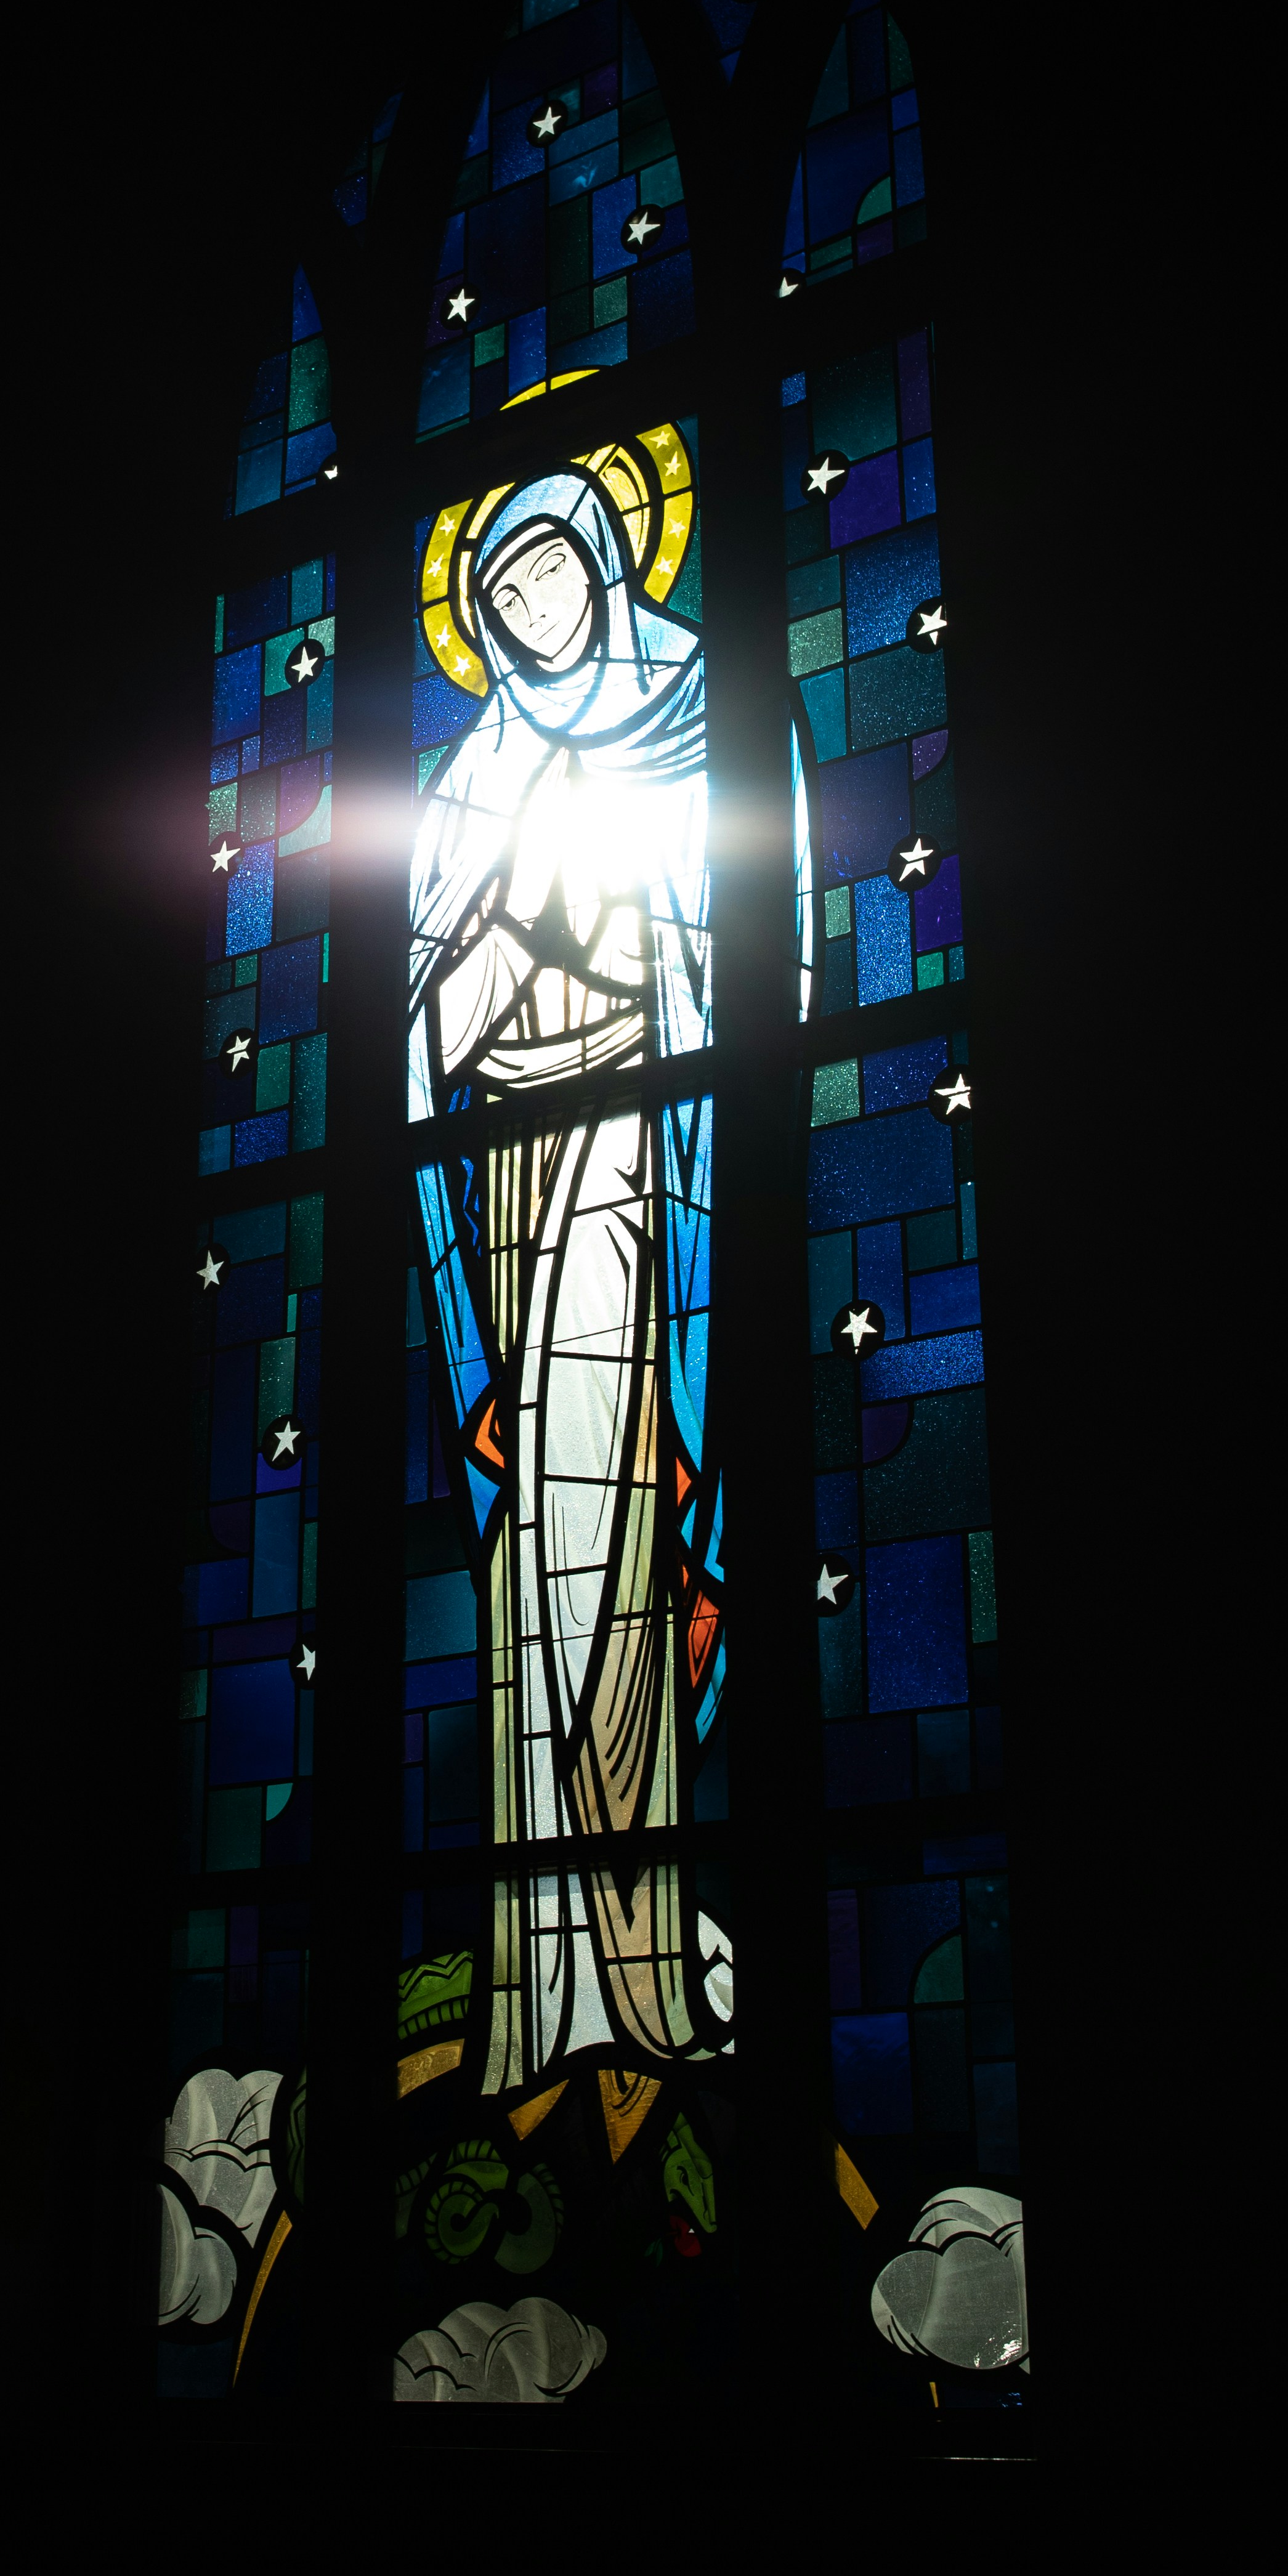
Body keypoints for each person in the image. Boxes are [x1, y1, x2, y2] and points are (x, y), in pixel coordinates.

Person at [407, 455, 733, 2092]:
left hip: (627, 1149)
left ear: (606, 566)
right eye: (498, 599)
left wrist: (578, 939)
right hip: (510, 1168)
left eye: (546, 579)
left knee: (606, 1529)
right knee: (536, 1536)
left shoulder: (691, 711)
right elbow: (425, 1034)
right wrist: (495, 949)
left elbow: (720, 962)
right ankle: (548, 1986)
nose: (527, 614)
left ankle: (642, 1945)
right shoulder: (470, 776)